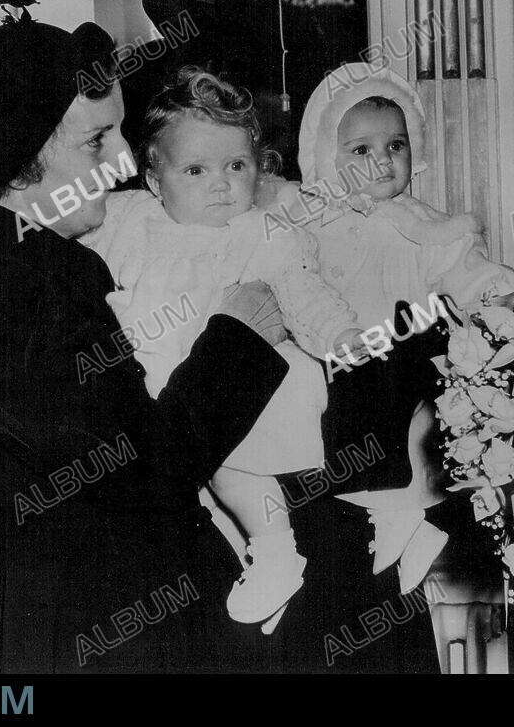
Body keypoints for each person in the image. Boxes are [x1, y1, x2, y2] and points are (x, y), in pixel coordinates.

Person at [0, 0, 292, 672]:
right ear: (19, 151)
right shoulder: (21, 295)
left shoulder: (14, 273)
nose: (122, 159)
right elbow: (143, 475)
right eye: (95, 139)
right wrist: (239, 337)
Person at [84, 65, 396, 630]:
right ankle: (250, 569)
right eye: (196, 170)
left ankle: (276, 549)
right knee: (192, 501)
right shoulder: (132, 219)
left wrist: (342, 338)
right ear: (154, 180)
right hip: (161, 398)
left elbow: (306, 294)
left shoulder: (265, 232)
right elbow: (76, 245)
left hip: (244, 398)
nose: (222, 184)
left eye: (236, 165)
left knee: (235, 473)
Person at [279, 62, 514, 595]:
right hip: (336, 355)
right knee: (346, 442)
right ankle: (395, 524)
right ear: (325, 157)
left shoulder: (427, 224)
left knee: (407, 446)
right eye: (360, 150)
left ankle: (408, 522)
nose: (382, 161)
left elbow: (468, 270)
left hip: (403, 357)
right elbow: (290, 278)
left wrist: (490, 300)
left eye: (396, 145)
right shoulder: (313, 222)